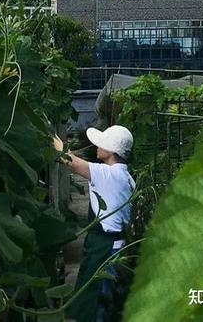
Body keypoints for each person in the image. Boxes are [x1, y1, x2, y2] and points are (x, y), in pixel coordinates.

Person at [53, 125, 135, 322]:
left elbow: (70, 161)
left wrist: (50, 136)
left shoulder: (111, 175)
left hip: (106, 246)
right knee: (100, 297)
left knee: (99, 299)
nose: (96, 145)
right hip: (109, 242)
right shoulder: (122, 176)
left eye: (102, 143)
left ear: (112, 151)